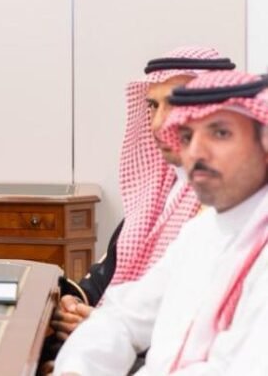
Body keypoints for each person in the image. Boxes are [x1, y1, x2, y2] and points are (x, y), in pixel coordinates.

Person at [54, 71, 268, 375]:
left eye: (220, 133)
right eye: (186, 136)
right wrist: (78, 369)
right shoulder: (201, 232)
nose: (195, 152)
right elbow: (122, 317)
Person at [52, 48, 235, 340]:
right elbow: (108, 276)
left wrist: (105, 330)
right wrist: (74, 304)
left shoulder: (224, 209)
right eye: (153, 106)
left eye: (175, 105)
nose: (158, 123)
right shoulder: (157, 192)